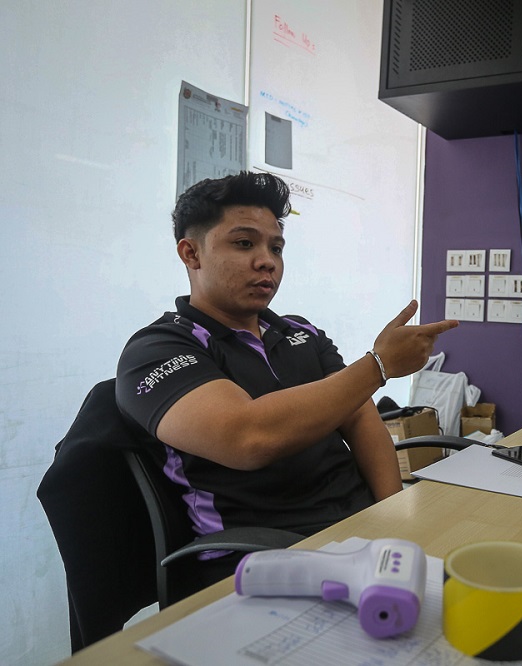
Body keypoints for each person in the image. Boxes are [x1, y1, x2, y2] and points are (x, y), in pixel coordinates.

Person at [116, 171, 457, 585]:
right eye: (244, 243)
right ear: (191, 254)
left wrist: (394, 522)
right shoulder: (158, 349)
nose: (267, 261)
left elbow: (362, 420)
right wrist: (378, 366)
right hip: (259, 559)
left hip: (361, 535)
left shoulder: (302, 333)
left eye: (275, 247)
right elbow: (247, 438)